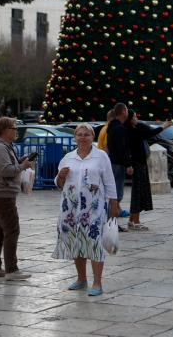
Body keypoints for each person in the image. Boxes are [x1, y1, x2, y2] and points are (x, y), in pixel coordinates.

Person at [53, 124, 119, 296]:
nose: (83, 137)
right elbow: (58, 184)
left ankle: (97, 282)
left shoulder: (101, 156)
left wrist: (114, 203)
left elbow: (110, 181)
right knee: (77, 242)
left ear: (92, 137)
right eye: (79, 135)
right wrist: (60, 177)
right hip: (70, 209)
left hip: (94, 209)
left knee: (94, 243)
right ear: (75, 137)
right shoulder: (68, 157)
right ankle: (81, 279)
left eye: (87, 135)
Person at [0, 116, 34, 281]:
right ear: (5, 130)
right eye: (14, 128)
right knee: (12, 230)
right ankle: (12, 270)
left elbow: (7, 166)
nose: (16, 131)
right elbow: (5, 170)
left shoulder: (5, 146)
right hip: (2, 194)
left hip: (0, 193)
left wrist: (20, 162)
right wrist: (23, 166)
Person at [126, 112, 172, 230]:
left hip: (140, 163)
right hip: (137, 164)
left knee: (139, 192)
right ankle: (135, 221)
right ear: (130, 119)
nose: (136, 118)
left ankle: (132, 220)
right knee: (138, 193)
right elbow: (151, 133)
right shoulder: (132, 130)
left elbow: (150, 133)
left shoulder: (135, 127)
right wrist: (164, 126)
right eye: (134, 116)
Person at [106, 104, 133, 220]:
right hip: (118, 164)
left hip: (112, 162)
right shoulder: (120, 128)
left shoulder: (111, 126)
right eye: (126, 110)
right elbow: (122, 148)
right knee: (117, 193)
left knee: (114, 192)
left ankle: (112, 220)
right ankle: (111, 221)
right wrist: (128, 164)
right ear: (123, 112)